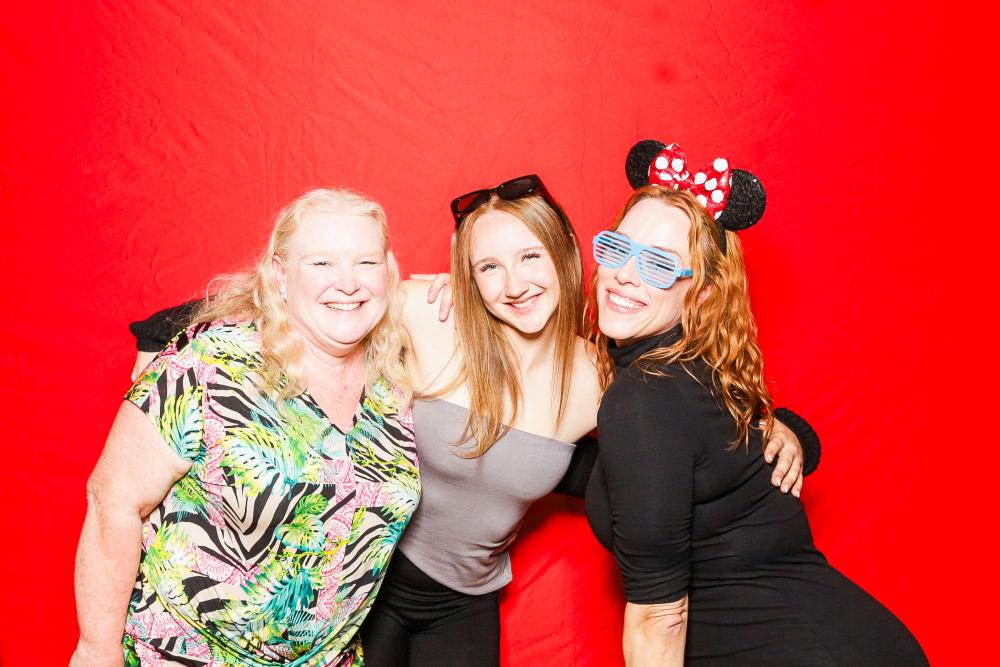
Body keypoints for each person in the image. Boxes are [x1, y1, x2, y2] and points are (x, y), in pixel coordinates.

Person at [128, 175, 817, 666]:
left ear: (566, 254)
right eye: (489, 266)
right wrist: (158, 349)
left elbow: (674, 439)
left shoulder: (603, 373)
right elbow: (291, 308)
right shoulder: (429, 317)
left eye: (529, 257)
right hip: (366, 587)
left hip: (466, 602)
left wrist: (787, 430)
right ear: (468, 276)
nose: (513, 284)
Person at [585, 144, 927, 665]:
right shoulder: (696, 367)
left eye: (657, 264)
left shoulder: (643, 397)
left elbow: (660, 616)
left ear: (701, 294)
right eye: (617, 248)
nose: (625, 274)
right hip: (853, 639)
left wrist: (792, 432)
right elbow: (667, 471)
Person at [71, 188, 420, 667]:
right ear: (280, 274)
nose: (347, 283)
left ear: (389, 271)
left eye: (366, 263)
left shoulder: (395, 379)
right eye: (321, 263)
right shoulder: (211, 364)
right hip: (182, 655)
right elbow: (112, 501)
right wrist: (96, 651)